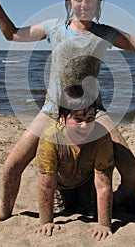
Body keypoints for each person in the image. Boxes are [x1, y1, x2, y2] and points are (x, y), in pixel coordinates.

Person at [0, 0, 135, 221]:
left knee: (131, 169)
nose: (84, 4)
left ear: (98, 3)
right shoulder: (54, 28)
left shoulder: (105, 33)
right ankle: (4, 212)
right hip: (52, 109)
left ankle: (127, 202)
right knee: (12, 166)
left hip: (93, 111)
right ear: (70, 1)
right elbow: (11, 34)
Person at [35, 85, 114, 241]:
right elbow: (46, 184)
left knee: (90, 211)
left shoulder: (101, 137)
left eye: (90, 119)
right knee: (65, 210)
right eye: (78, 119)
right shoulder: (51, 137)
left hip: (86, 181)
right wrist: (46, 222)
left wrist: (104, 224)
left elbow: (103, 184)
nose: (84, 125)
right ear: (62, 119)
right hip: (60, 184)